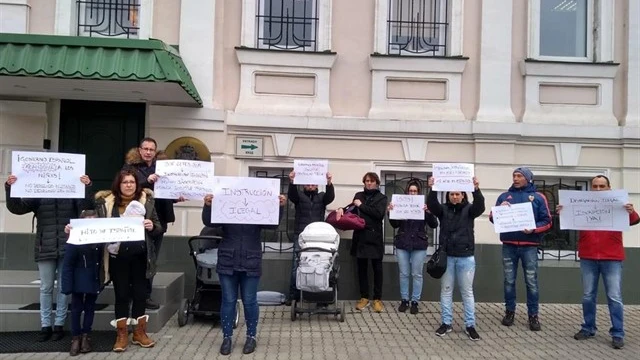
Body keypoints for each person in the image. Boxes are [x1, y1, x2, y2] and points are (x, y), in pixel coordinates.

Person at [5, 173, 92, 342]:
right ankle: (45, 325)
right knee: (46, 287)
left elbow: (87, 208)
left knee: (63, 287)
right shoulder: (39, 194)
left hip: (68, 246)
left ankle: (59, 323)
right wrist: (10, 189)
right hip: (45, 246)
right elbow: (17, 208)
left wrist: (86, 187)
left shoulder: (73, 192)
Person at [556, 175, 639, 350]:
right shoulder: (582, 203)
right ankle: (588, 328)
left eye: (602, 186)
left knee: (614, 297)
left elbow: (633, 221)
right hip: (588, 257)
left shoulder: (618, 203)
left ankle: (617, 333)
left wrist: (630, 211)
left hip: (612, 258)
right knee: (588, 295)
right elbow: (568, 219)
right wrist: (562, 211)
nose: (598, 189)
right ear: (591, 188)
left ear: (609, 187)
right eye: (595, 186)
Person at [202, 193, 286, 355]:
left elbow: (273, 224)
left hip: (251, 260)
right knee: (228, 300)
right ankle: (227, 338)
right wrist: (208, 206)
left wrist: (280, 207)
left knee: (249, 300)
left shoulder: (257, 210)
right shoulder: (227, 207)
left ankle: (251, 337)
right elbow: (209, 222)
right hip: (228, 259)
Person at [94, 169, 163, 352]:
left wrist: (151, 226)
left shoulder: (146, 201)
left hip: (141, 256)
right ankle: (122, 335)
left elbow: (158, 227)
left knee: (140, 294)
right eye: (125, 182)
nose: (129, 185)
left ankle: (139, 333)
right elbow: (96, 226)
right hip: (118, 258)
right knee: (122, 295)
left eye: (132, 182)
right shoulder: (106, 204)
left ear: (136, 184)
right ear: (119, 184)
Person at [490, 167, 551, 331]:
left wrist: (533, 229)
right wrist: (499, 211)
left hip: (529, 247)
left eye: (519, 176)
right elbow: (492, 218)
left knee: (531, 282)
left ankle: (533, 315)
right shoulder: (504, 196)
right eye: (514, 176)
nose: (515, 179)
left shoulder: (538, 197)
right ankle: (509, 312)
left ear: (528, 179)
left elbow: (548, 221)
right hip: (509, 245)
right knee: (509, 281)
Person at [122, 139, 181, 310]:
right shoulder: (130, 168)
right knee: (134, 259)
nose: (148, 152)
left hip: (158, 221)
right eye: (145, 149)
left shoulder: (164, 168)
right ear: (139, 150)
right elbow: (125, 188)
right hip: (135, 221)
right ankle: (131, 294)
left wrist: (176, 197)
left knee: (151, 259)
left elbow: (166, 193)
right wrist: (147, 180)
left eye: (151, 149)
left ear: (155, 151)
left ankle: (145, 295)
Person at [427, 176, 485, 340]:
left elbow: (480, 206)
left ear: (463, 195)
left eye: (458, 194)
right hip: (447, 257)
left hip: (465, 257)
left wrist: (476, 189)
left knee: (467, 292)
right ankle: (446, 323)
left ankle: (470, 325)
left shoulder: (470, 209)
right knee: (446, 291)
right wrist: (431, 189)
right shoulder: (443, 210)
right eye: (452, 194)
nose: (454, 196)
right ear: (448, 196)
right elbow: (432, 205)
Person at [336, 172, 388, 313]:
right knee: (362, 269)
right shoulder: (359, 195)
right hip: (361, 237)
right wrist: (343, 209)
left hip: (375, 237)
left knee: (377, 270)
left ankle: (377, 299)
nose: (369, 183)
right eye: (366, 181)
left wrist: (362, 206)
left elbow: (378, 214)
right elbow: (352, 208)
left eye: (371, 181)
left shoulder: (382, 198)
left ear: (377, 183)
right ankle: (364, 297)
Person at [387, 180, 438, 314]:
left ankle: (415, 301)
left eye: (415, 191)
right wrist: (390, 212)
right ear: (407, 192)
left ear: (419, 193)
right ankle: (404, 300)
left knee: (417, 274)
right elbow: (395, 224)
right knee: (404, 274)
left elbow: (434, 224)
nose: (412, 193)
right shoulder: (401, 204)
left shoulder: (423, 207)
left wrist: (428, 212)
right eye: (410, 191)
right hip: (403, 243)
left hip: (419, 244)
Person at [286, 170, 335, 305]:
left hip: (318, 236)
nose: (310, 185)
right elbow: (292, 195)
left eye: (313, 183)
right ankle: (293, 295)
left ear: (317, 185)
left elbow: (330, 198)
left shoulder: (322, 197)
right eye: (308, 183)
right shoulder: (299, 197)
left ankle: (319, 296)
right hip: (301, 235)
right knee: (297, 265)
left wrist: (329, 182)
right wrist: (291, 181)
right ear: (303, 185)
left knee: (319, 265)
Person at [62, 210, 105, 356]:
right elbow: (67, 264)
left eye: (94, 220)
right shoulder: (75, 238)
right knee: (76, 308)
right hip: (78, 279)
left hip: (94, 278)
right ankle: (75, 337)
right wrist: (67, 285)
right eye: (88, 220)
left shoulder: (101, 238)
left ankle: (86, 335)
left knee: (90, 307)